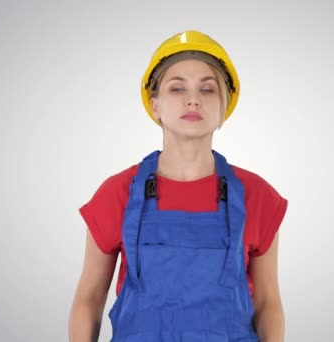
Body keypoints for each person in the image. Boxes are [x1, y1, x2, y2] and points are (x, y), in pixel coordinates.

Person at [69, 30, 288, 342]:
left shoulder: (257, 196)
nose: (193, 98)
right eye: (177, 88)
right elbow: (88, 300)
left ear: (224, 107)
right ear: (155, 105)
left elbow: (268, 304)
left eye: (208, 89)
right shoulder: (118, 193)